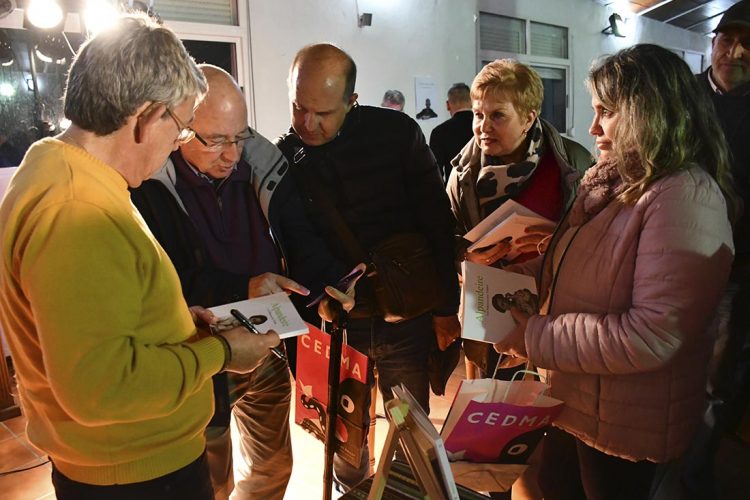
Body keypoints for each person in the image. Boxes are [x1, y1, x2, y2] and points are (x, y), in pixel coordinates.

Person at [0, 14, 282, 499]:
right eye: (180, 129)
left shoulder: (58, 169)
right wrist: (221, 352)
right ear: (148, 117)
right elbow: (100, 388)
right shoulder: (77, 211)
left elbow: (98, 324)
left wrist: (176, 324)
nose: (177, 144)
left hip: (124, 462)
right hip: (137, 474)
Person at [494, 44, 737, 500]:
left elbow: (651, 335)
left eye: (606, 112)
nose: (592, 129)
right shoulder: (617, 182)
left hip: (625, 426)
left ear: (647, 112)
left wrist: (534, 336)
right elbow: (586, 267)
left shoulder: (684, 196)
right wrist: (515, 279)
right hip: (578, 401)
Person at [275, 43, 461, 490]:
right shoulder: (286, 154)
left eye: (322, 113)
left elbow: (438, 223)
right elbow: (295, 243)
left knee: (411, 436)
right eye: (299, 108)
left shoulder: (396, 134)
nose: (307, 124)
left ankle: (403, 492)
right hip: (337, 324)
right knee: (344, 441)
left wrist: (445, 310)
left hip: (408, 315)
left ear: (351, 101)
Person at [130, 65, 304, 500]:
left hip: (265, 341)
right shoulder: (148, 188)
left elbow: (300, 233)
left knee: (274, 465)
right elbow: (173, 283)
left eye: (240, 136)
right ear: (182, 128)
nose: (232, 154)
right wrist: (243, 286)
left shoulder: (259, 168)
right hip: (201, 351)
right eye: (216, 140)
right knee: (212, 479)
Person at [446, 59, 592, 381]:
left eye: (497, 115)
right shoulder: (463, 173)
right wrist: (465, 257)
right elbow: (447, 239)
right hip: (488, 308)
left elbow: (599, 240)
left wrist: (558, 238)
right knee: (488, 407)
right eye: (478, 114)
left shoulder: (572, 164)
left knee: (547, 408)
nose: (483, 127)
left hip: (553, 313)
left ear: (528, 118)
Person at [687, 1, 750, 496]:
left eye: (749, 43)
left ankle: (698, 466)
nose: (738, 51)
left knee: (719, 370)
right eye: (728, 39)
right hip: (676, 257)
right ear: (713, 43)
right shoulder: (682, 99)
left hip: (739, 265)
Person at [429, 83, 474, 184]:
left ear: (448, 105)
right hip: (484, 191)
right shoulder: (483, 128)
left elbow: (436, 172)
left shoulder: (439, 132)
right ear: (472, 102)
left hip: (454, 190)